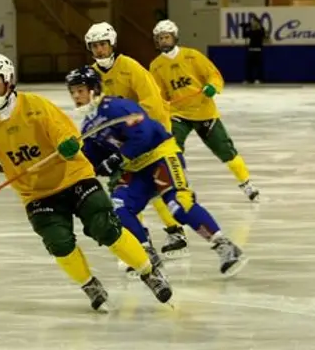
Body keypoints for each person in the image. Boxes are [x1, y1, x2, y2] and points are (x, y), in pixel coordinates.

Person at [0, 54, 172, 311]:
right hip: (37, 194)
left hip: (75, 178)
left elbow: (66, 132)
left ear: (9, 80)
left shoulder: (36, 106)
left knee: (105, 226)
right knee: (58, 242)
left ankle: (148, 272)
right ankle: (89, 284)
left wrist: (68, 145)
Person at [66, 65, 247, 276]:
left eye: (80, 90)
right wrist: (73, 157)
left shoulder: (116, 107)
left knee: (178, 203)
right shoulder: (88, 126)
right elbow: (91, 160)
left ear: (94, 89)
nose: (76, 96)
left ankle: (224, 245)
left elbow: (143, 134)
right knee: (118, 207)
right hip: (136, 169)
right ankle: (146, 253)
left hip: (161, 156)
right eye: (73, 92)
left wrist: (117, 158)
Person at [84, 21, 188, 259]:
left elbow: (152, 102)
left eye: (103, 45)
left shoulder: (130, 67)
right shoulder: (92, 75)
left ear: (112, 44)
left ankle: (175, 230)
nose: (99, 50)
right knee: (124, 188)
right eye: (95, 46)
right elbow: (92, 111)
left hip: (148, 135)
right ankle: (142, 240)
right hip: (119, 142)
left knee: (156, 184)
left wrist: (142, 135)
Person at [149, 19, 259, 203]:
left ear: (174, 37)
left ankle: (246, 183)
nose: (164, 41)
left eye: (167, 37)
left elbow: (213, 75)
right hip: (178, 115)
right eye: (160, 38)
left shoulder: (192, 56)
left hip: (204, 111)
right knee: (172, 150)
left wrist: (212, 87)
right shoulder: (156, 66)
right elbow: (157, 92)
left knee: (226, 150)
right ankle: (180, 188)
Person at [239, 16, 268, 84]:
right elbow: (244, 35)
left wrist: (257, 27)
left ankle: (259, 79)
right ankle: (249, 79)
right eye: (252, 22)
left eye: (254, 22)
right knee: (249, 66)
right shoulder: (251, 31)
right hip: (251, 50)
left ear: (257, 23)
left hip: (258, 50)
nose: (252, 23)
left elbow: (263, 35)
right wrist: (244, 28)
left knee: (258, 66)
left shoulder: (260, 30)